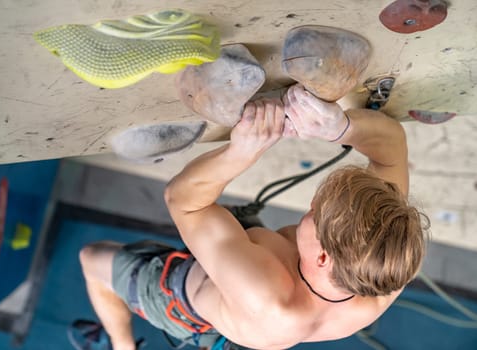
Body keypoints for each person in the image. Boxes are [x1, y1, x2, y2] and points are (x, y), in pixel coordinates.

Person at [77, 84, 427, 350]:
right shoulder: (386, 262)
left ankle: (121, 345)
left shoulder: (267, 295)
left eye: (314, 212)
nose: (311, 206)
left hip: (186, 300)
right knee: (226, 227)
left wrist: (242, 151)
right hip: (263, 272)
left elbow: (183, 201)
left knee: (92, 259)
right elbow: (392, 148)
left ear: (323, 256)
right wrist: (339, 127)